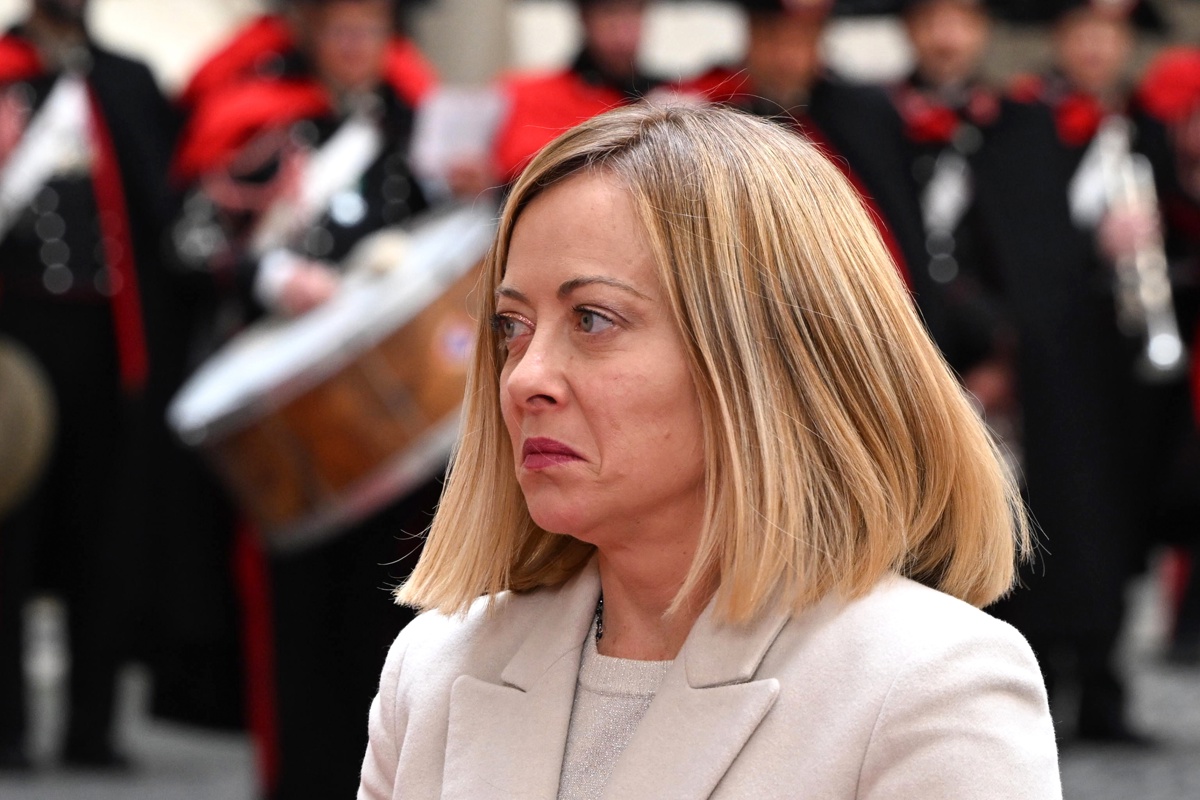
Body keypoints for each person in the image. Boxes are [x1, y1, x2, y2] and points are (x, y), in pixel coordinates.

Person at [358, 103, 1062, 799]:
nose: (524, 378)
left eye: (593, 319)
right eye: (512, 326)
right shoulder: (433, 669)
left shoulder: (929, 684)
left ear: (766, 355)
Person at [170, 1, 443, 796]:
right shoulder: (267, 127)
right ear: (312, 36)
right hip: (296, 417)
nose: (356, 47)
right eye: (340, 30)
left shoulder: (415, 132)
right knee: (299, 620)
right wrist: (269, 274)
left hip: (401, 422)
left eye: (370, 31)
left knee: (393, 613)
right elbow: (189, 238)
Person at [987, 0, 1190, 744]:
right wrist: (1093, 246)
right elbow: (1015, 238)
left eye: (1112, 34)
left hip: (1126, 366)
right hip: (1052, 361)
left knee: (1120, 524)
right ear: (1060, 37)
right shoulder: (1022, 123)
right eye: (1085, 31)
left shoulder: (1141, 125)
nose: (1099, 47)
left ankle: (1106, 688)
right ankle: (1042, 690)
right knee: (1051, 522)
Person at [0, 0, 178, 771]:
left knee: (105, 536)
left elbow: (162, 211)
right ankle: (6, 728)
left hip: (111, 344)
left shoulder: (126, 80)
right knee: (8, 537)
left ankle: (91, 728)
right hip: (13, 342)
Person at [491, 0, 661, 184]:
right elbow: (515, 168)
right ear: (585, 18)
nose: (623, 29)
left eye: (635, 12)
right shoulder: (529, 94)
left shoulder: (668, 95)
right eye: (609, 13)